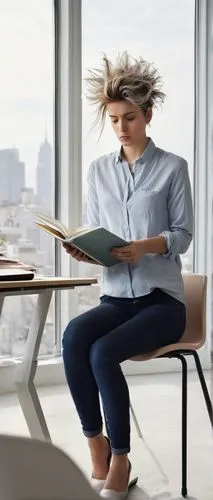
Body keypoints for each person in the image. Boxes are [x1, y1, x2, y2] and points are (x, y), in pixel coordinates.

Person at [62, 52, 193, 500]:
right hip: (116, 296)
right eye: (114, 118)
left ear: (147, 115)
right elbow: (101, 235)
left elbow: (183, 235)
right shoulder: (99, 171)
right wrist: (88, 252)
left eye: (130, 117)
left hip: (164, 302)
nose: (121, 127)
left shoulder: (174, 168)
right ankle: (94, 442)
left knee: (103, 354)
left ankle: (120, 457)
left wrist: (143, 246)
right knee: (74, 336)